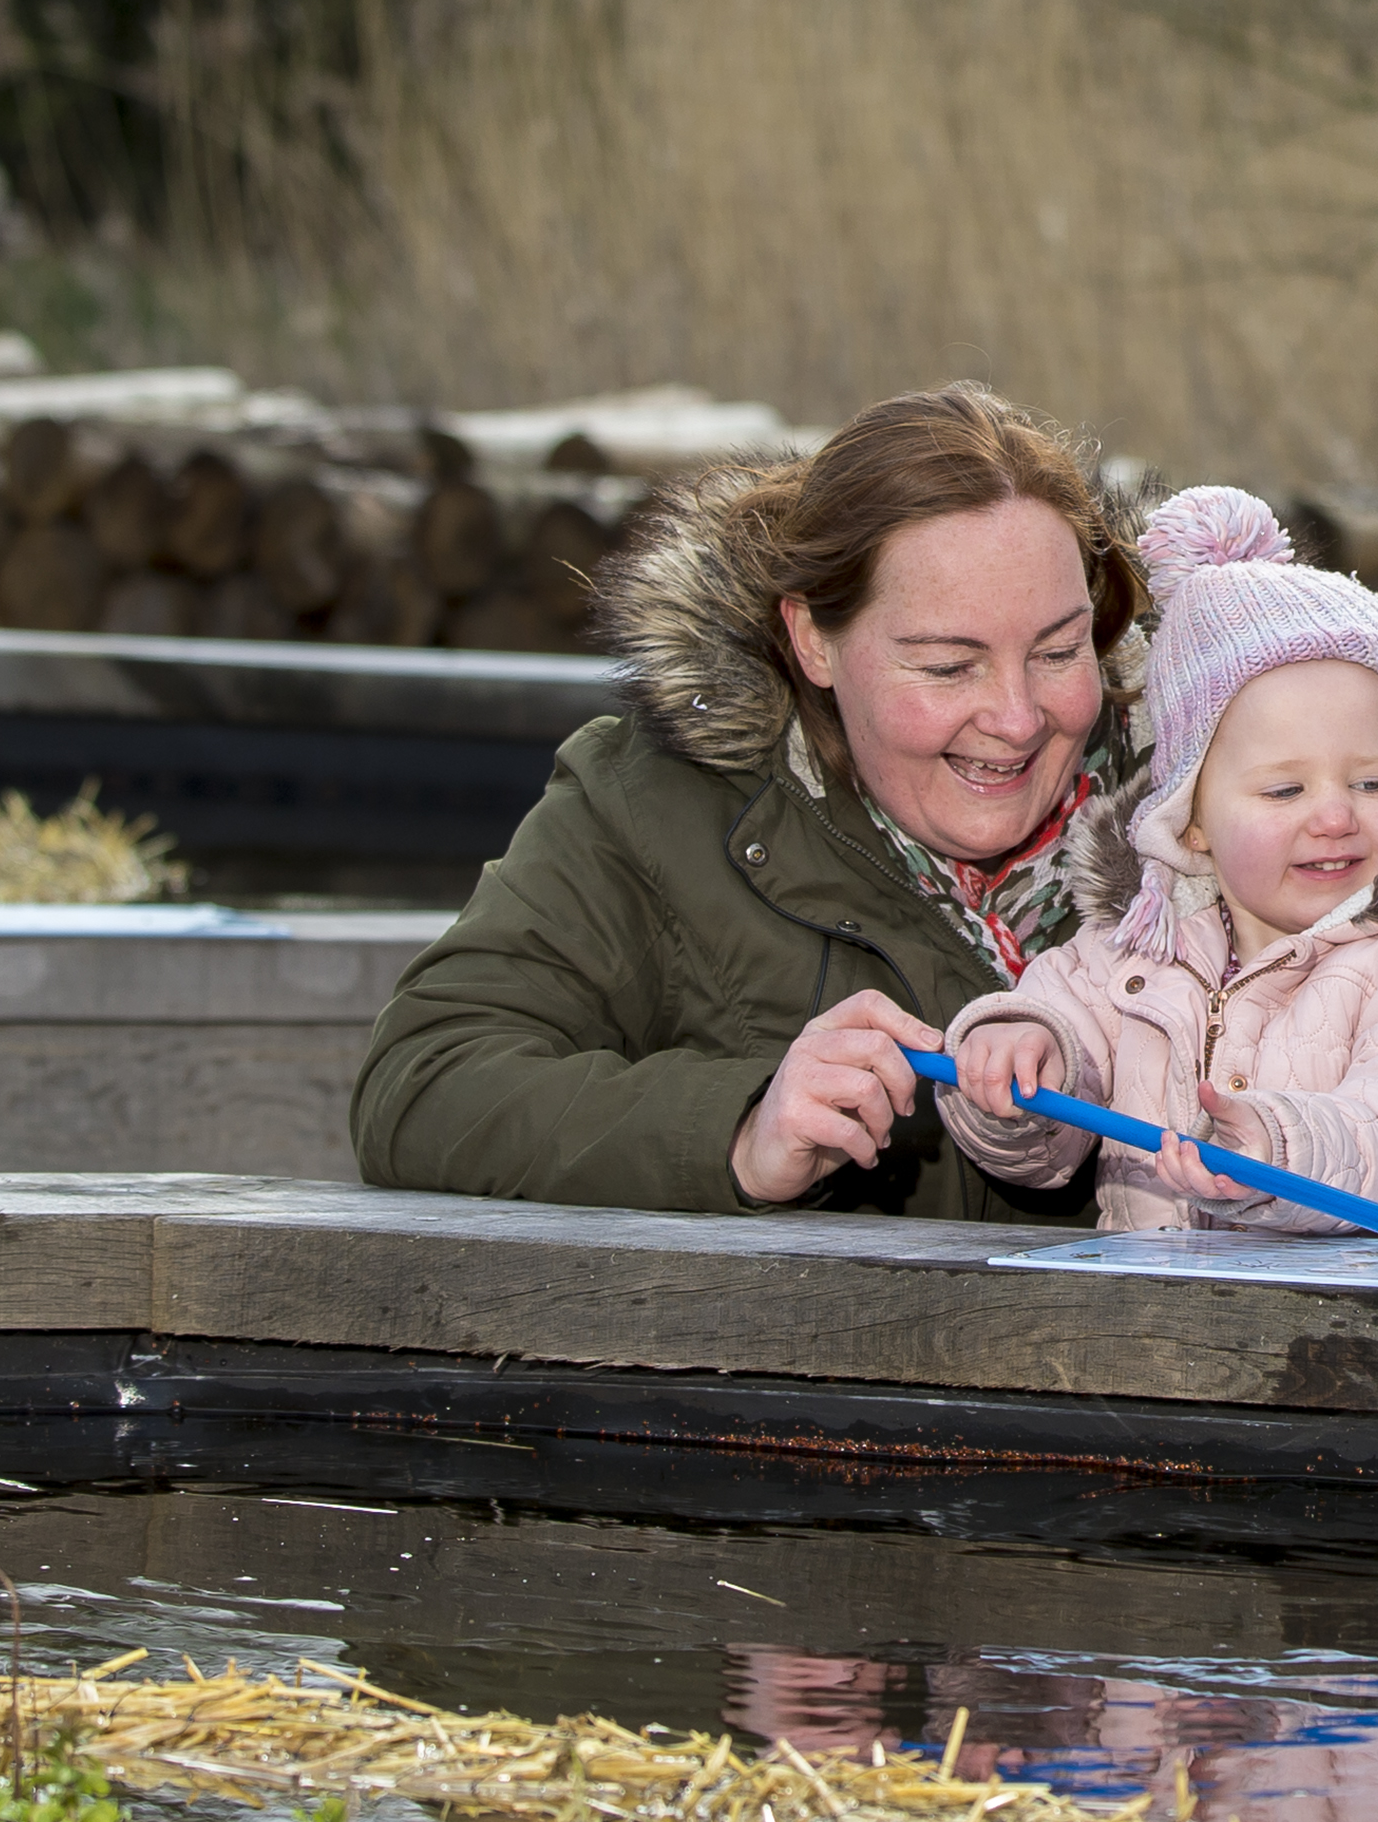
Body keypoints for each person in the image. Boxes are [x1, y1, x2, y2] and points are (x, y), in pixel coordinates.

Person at [347, 381, 1138, 1217]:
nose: (1016, 719)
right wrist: (743, 1132)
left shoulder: (1219, 794)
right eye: (948, 666)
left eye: (1058, 651)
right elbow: (424, 1083)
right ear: (813, 641)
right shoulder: (653, 806)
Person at [942, 486, 1378, 1228]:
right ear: (1190, 823)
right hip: (1138, 1328)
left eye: (1372, 781)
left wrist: (1279, 1149)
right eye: (1284, 789)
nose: (1334, 815)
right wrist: (1018, 1064)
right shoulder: (1124, 956)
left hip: (1366, 1330)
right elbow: (1045, 1148)